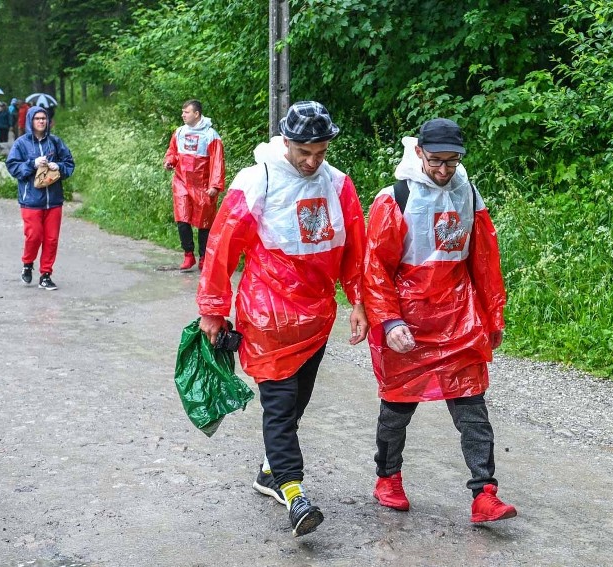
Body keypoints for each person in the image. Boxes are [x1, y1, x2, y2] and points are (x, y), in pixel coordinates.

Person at [196, 101, 368, 537]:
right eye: (304, 152)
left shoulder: (338, 185)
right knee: (278, 404)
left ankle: (269, 471)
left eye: (321, 152)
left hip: (315, 316)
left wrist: (361, 303)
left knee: (296, 402)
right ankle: (294, 494)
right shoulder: (258, 180)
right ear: (286, 142)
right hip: (266, 314)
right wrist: (214, 310)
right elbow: (221, 246)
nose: (312, 162)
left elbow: (354, 251)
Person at [362, 118, 517, 523]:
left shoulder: (467, 193)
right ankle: (388, 477)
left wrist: (491, 314)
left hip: (458, 318)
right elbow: (375, 267)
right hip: (408, 324)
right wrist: (389, 321)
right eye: (436, 161)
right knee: (397, 408)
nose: (444, 170)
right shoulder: (395, 198)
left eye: (452, 161)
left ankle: (484, 493)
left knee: (472, 408)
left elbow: (484, 258)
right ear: (419, 153)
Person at [6, 106, 76, 290]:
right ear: (30, 121)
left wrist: (58, 166)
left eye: (43, 118)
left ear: (48, 121)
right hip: (30, 200)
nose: (41, 121)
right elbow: (13, 167)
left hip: (54, 199)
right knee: (34, 236)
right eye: (37, 118)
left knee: (51, 239)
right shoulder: (21, 144)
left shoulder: (55, 142)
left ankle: (46, 274)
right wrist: (32, 164)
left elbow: (69, 164)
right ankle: (27, 264)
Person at [163, 99, 225, 271]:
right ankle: (188, 255)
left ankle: (204, 257)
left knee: (204, 222)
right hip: (181, 182)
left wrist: (215, 185)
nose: (183, 115)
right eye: (182, 112)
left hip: (203, 185)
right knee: (182, 218)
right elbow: (173, 152)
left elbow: (217, 161)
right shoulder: (180, 132)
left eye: (186, 112)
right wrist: (169, 161)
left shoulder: (211, 135)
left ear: (196, 114)